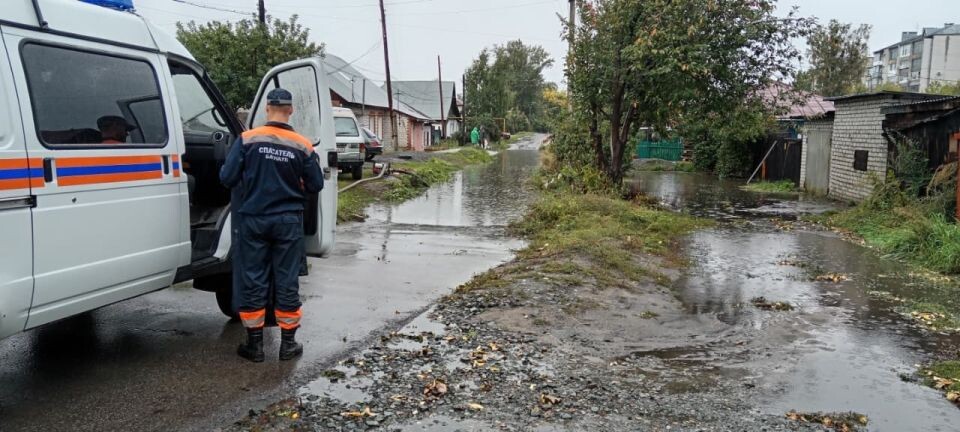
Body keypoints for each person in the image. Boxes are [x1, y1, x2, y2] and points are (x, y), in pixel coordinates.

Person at [219, 88, 324, 362]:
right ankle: (288, 344)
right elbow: (316, 184)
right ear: (290, 110)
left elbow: (227, 177)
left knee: (253, 278)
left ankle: (255, 346)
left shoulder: (247, 139)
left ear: (267, 108)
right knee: (287, 279)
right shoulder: (303, 145)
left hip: (253, 219)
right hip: (288, 221)